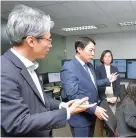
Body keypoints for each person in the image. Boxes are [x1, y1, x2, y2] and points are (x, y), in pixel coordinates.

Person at [1, 4, 96, 137]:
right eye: (48, 40)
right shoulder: (4, 70)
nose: (51, 45)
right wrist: (67, 113)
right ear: (31, 41)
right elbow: (17, 122)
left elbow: (41, 99)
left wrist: (63, 105)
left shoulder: (30, 65)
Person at [60, 37, 118, 137]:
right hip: (80, 118)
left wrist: (107, 80)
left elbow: (93, 83)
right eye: (90, 50)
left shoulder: (90, 66)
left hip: (91, 115)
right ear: (79, 49)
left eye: (94, 51)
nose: (93, 54)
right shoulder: (69, 67)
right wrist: (94, 108)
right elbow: (73, 95)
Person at [95, 50, 120, 114]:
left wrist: (116, 96)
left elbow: (117, 84)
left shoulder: (115, 69)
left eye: (109, 56)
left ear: (111, 58)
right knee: (104, 116)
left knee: (112, 115)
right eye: (105, 56)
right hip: (103, 95)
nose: (107, 58)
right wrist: (105, 98)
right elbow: (97, 84)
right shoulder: (98, 69)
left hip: (113, 94)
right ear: (102, 58)